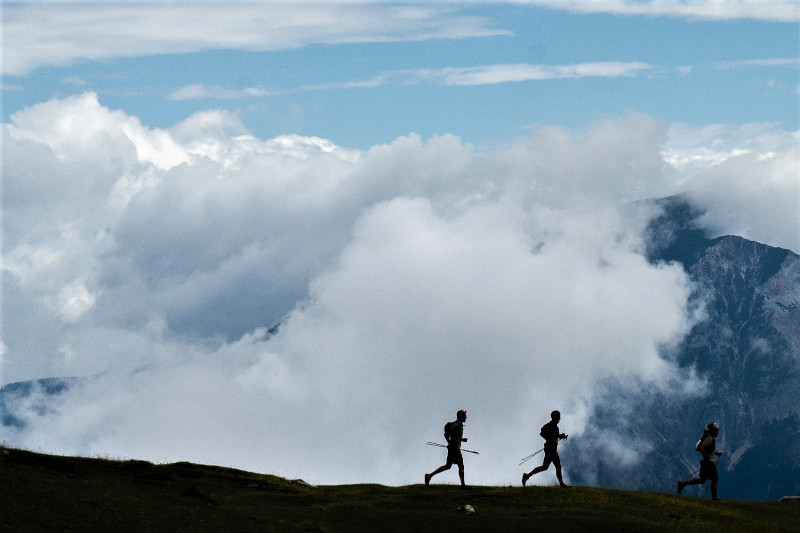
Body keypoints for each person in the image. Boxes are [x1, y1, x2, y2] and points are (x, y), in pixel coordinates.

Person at [678, 422, 723, 501]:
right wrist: (706, 457)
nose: (718, 432)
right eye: (717, 430)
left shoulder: (709, 437)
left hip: (704, 462)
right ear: (713, 431)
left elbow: (705, 449)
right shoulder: (709, 438)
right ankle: (714, 499)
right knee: (715, 479)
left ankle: (682, 484)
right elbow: (701, 448)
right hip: (708, 462)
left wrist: (716, 453)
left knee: (702, 480)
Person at [522, 410, 568, 488]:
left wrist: (560, 436)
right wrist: (550, 439)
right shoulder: (550, 425)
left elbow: (554, 436)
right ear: (555, 417)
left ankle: (527, 475)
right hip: (550, 449)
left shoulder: (554, 426)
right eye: (558, 417)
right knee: (557, 466)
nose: (559, 419)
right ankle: (561, 484)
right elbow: (542, 433)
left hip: (550, 448)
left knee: (545, 467)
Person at [425, 409, 470, 489]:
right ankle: (463, 485)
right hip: (454, 449)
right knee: (460, 466)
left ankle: (429, 476)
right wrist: (449, 443)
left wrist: (462, 440)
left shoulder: (459, 425)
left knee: (448, 466)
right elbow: (446, 435)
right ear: (460, 417)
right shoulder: (456, 425)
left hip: (454, 448)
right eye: (464, 416)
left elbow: (454, 437)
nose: (466, 417)